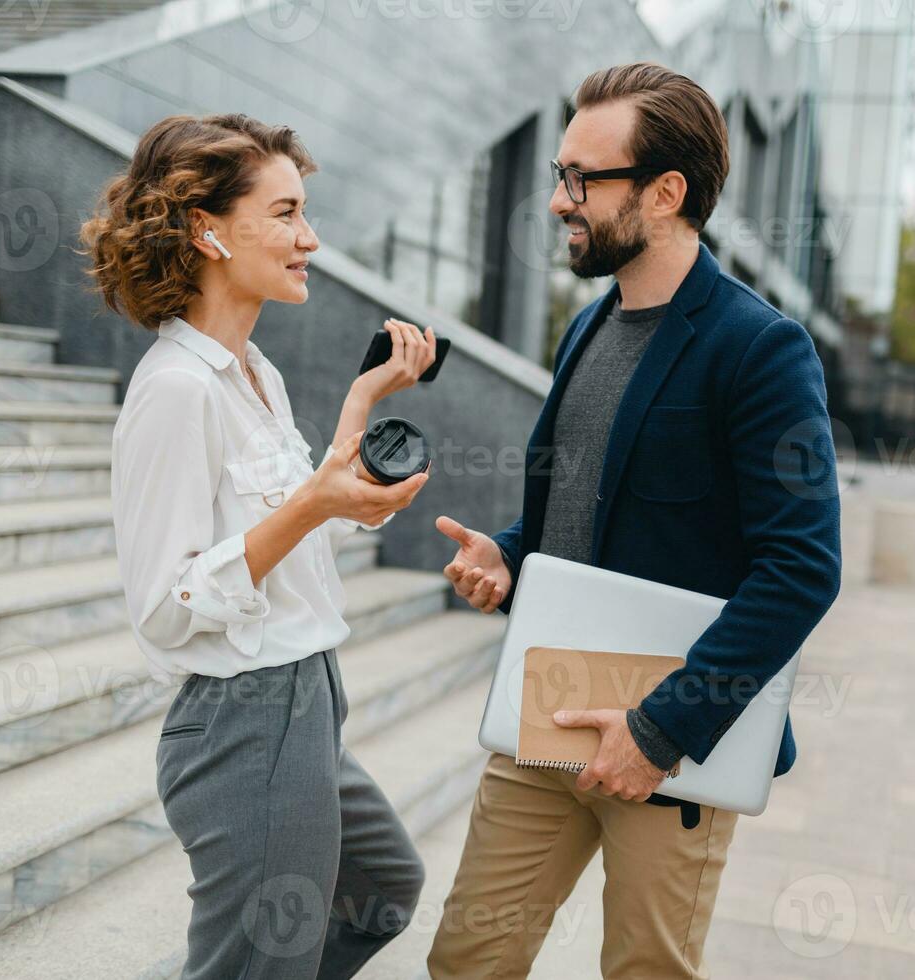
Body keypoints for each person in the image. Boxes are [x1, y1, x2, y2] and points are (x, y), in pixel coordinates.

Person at [428, 62, 844, 978]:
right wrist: (509, 553)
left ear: (665, 192)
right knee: (466, 961)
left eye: (583, 180)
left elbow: (803, 568)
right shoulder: (589, 325)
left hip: (672, 754)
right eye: (558, 176)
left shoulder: (762, 350)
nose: (558, 203)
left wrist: (659, 732)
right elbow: (580, 514)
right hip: (542, 721)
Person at [90, 112, 439, 979]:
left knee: (381, 888)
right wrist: (314, 504)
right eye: (285, 213)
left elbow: (298, 525)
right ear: (207, 229)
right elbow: (164, 612)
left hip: (311, 702)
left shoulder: (256, 374)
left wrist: (359, 411)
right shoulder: (175, 392)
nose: (308, 238)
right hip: (246, 723)